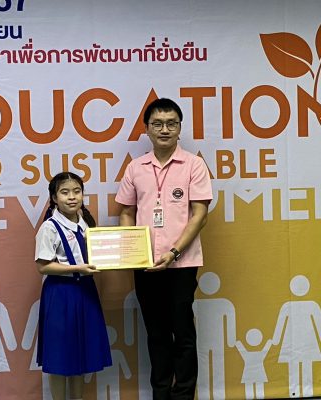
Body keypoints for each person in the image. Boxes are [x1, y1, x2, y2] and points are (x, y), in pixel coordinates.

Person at [115, 98, 213, 400]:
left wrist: (173, 253)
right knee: (156, 333)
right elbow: (126, 212)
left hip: (181, 263)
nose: (165, 129)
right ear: (147, 129)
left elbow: (200, 215)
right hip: (145, 265)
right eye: (157, 124)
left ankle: (183, 394)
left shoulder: (194, 165)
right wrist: (132, 251)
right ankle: (161, 393)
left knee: (182, 332)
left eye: (171, 123)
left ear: (180, 128)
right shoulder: (136, 168)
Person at [35, 172, 112, 400]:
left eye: (77, 192)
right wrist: (77, 268)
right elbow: (43, 266)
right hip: (61, 293)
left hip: (85, 290)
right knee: (59, 355)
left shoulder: (86, 222)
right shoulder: (49, 227)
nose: (72, 197)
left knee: (80, 352)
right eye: (65, 192)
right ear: (54, 197)